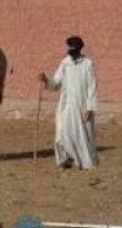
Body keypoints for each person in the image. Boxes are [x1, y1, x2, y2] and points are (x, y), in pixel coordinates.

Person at [39, 36, 99, 169]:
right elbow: (55, 84)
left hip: (82, 106)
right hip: (66, 106)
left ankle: (83, 162)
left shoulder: (88, 64)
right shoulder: (65, 64)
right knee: (62, 133)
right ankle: (64, 160)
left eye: (72, 48)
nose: (70, 51)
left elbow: (92, 87)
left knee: (82, 135)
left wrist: (89, 108)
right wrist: (45, 80)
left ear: (78, 49)